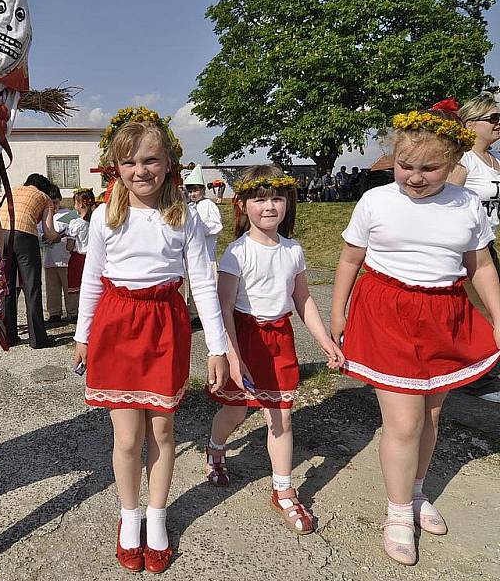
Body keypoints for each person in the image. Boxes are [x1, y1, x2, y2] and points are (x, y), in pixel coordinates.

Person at [330, 105, 500, 566]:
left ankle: (418, 491)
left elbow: (480, 266)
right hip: (388, 314)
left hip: (444, 314)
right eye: (406, 166)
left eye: (430, 168)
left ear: (453, 163)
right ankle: (398, 511)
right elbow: (349, 259)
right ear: (394, 158)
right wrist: (338, 313)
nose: (416, 177)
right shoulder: (376, 201)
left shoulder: (465, 204)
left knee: (430, 418)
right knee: (403, 423)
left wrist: (499, 316)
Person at [72, 120, 229, 574]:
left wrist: (217, 347)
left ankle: (157, 516)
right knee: (127, 437)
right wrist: (83, 335)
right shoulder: (103, 216)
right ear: (115, 168)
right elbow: (91, 281)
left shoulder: (186, 216)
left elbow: (202, 281)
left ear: (168, 163)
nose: (140, 170)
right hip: (117, 327)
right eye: (129, 161)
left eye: (150, 160)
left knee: (162, 432)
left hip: (165, 325)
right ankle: (129, 516)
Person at [205, 165, 344, 535]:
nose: (269, 206)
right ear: (243, 205)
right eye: (260, 198)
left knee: (280, 416)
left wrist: (325, 340)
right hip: (245, 338)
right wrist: (233, 357)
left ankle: (283, 490)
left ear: (288, 203)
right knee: (234, 410)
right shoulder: (236, 253)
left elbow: (302, 299)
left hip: (279, 339)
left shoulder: (293, 249)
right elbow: (224, 310)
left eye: (277, 198)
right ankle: (216, 448)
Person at [450, 93, 500, 402]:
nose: (499, 123)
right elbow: (446, 202)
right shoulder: (464, 159)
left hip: (486, 243)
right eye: (493, 118)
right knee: (479, 312)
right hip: (464, 248)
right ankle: (474, 377)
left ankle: (484, 369)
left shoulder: (494, 159)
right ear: (470, 124)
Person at [0, 173, 59, 348]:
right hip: (24, 235)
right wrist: (57, 238)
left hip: (1, 233)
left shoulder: (12, 190)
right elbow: (48, 232)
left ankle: (9, 336)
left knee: (8, 286)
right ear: (43, 187)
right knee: (31, 287)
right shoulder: (44, 197)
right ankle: (38, 339)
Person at [183, 170, 223, 326]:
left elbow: (217, 226)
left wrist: (201, 229)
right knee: (193, 283)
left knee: (209, 283)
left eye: (195, 190)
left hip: (207, 252)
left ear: (203, 190)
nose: (193, 194)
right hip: (193, 253)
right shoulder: (190, 206)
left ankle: (208, 314)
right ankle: (193, 313)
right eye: (190, 191)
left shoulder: (208, 205)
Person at [41, 185, 76, 323]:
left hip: (65, 258)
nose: (53, 206)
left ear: (60, 200)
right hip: (49, 260)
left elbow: (73, 231)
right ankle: (54, 312)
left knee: (69, 288)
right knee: (52, 288)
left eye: (55, 202)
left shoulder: (70, 214)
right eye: (50, 203)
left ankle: (73, 311)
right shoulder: (43, 217)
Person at [64, 188, 95, 300]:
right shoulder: (95, 221)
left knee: (78, 288)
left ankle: (76, 312)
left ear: (80, 204)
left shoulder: (76, 223)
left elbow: (69, 246)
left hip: (78, 258)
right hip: (92, 258)